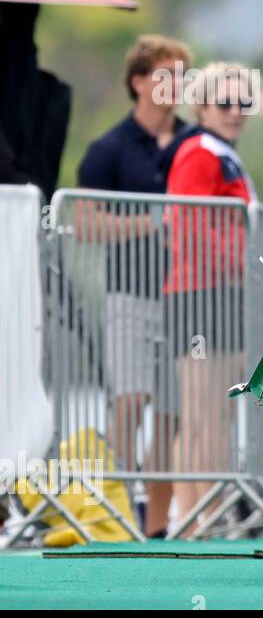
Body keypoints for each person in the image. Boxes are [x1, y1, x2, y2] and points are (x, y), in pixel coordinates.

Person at [76, 34, 192, 538]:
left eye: (181, 76)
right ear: (138, 81)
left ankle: (157, 522)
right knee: (131, 401)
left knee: (170, 410)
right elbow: (83, 224)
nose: (174, 86)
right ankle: (117, 513)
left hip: (187, 299)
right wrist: (153, 223)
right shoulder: (107, 149)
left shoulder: (195, 144)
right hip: (128, 294)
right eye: (164, 75)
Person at [161, 62, 257, 536]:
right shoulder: (200, 150)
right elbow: (192, 226)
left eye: (244, 103)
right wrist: (237, 269)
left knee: (215, 412)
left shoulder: (220, 152)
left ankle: (208, 513)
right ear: (201, 107)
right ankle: (198, 518)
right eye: (225, 103)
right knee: (201, 415)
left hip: (221, 294)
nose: (236, 112)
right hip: (200, 295)